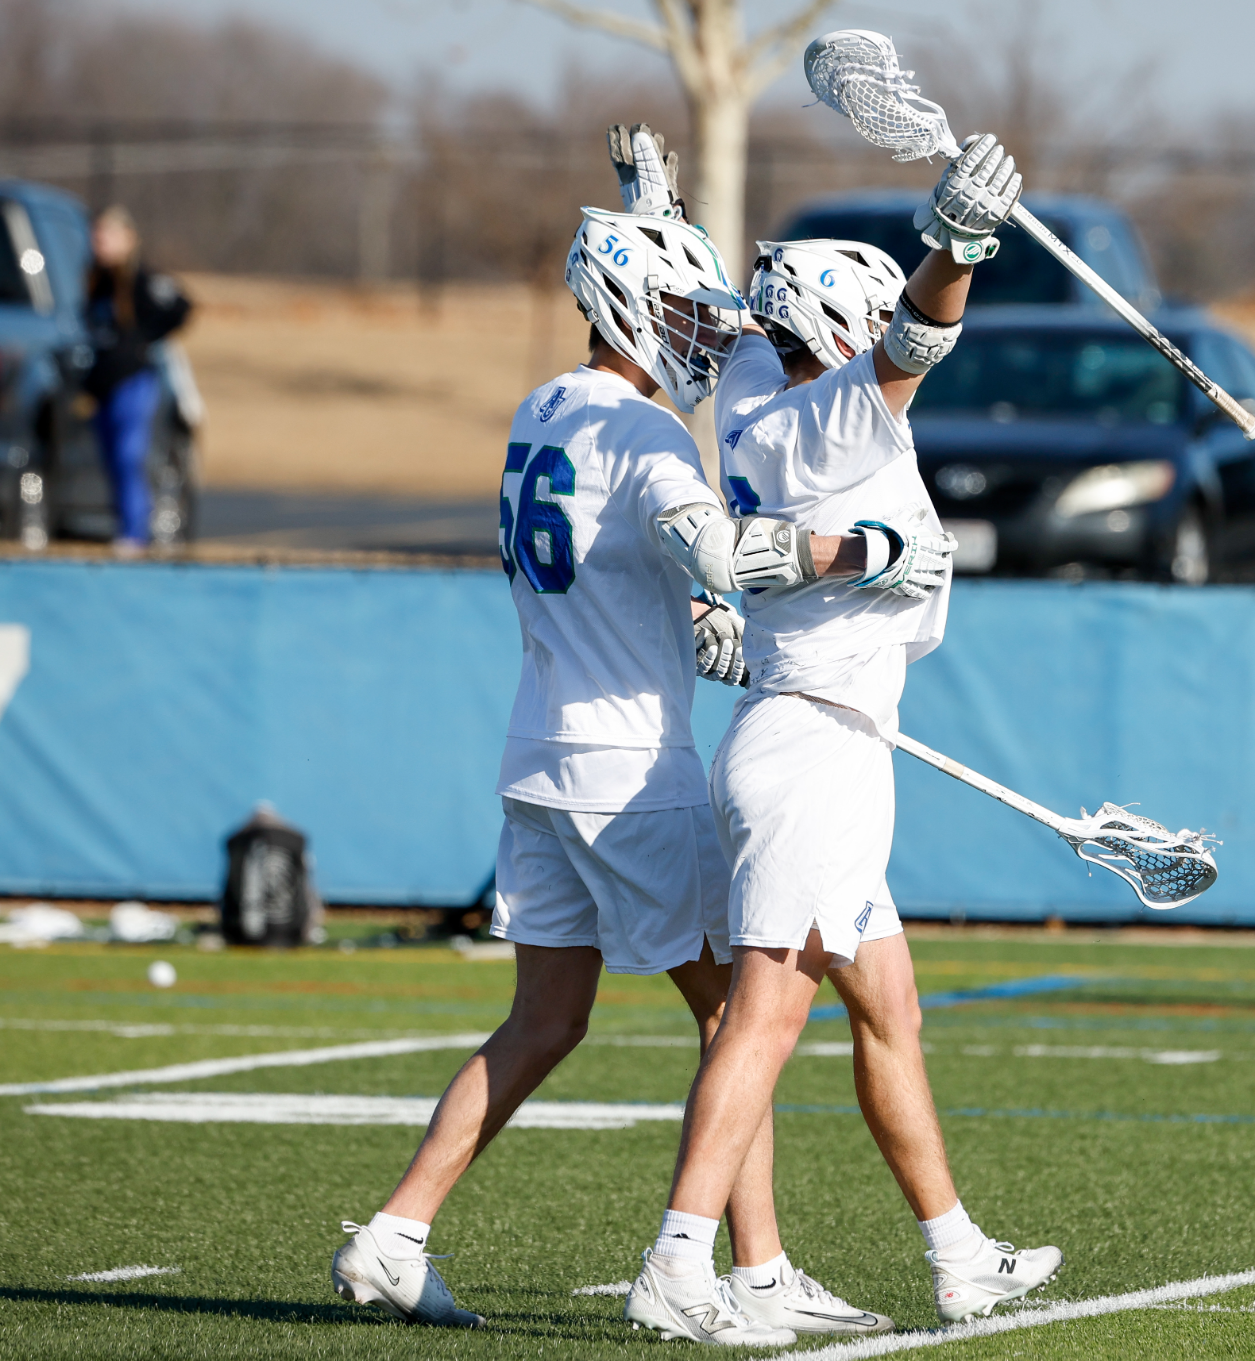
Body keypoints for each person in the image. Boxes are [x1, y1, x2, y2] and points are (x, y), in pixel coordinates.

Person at [329, 129, 936, 1342]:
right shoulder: (649, 435)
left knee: (546, 1019)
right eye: (679, 309)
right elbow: (721, 551)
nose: (705, 333)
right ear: (624, 307)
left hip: (536, 761)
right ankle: (746, 1272)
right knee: (739, 1019)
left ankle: (393, 1233)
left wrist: (693, 627)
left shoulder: (541, 406)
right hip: (627, 769)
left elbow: (619, 560)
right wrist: (863, 553)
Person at [629, 133, 1063, 1345]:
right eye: (857, 318)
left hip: (824, 735)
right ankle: (678, 1257)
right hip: (813, 750)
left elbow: (717, 313)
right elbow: (917, 338)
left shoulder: (755, 393)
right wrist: (955, 246)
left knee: (889, 1007)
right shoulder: (824, 419)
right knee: (762, 1017)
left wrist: (658, 210)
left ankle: (956, 1252)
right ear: (832, 326)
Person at [86, 206, 191, 555]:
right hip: (102, 384)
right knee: (110, 460)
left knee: (129, 455)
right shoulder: (96, 280)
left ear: (128, 239)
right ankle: (123, 526)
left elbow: (181, 306)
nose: (100, 243)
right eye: (97, 236)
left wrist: (143, 340)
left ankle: (135, 533)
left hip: (133, 381)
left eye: (107, 235)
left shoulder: (142, 280)